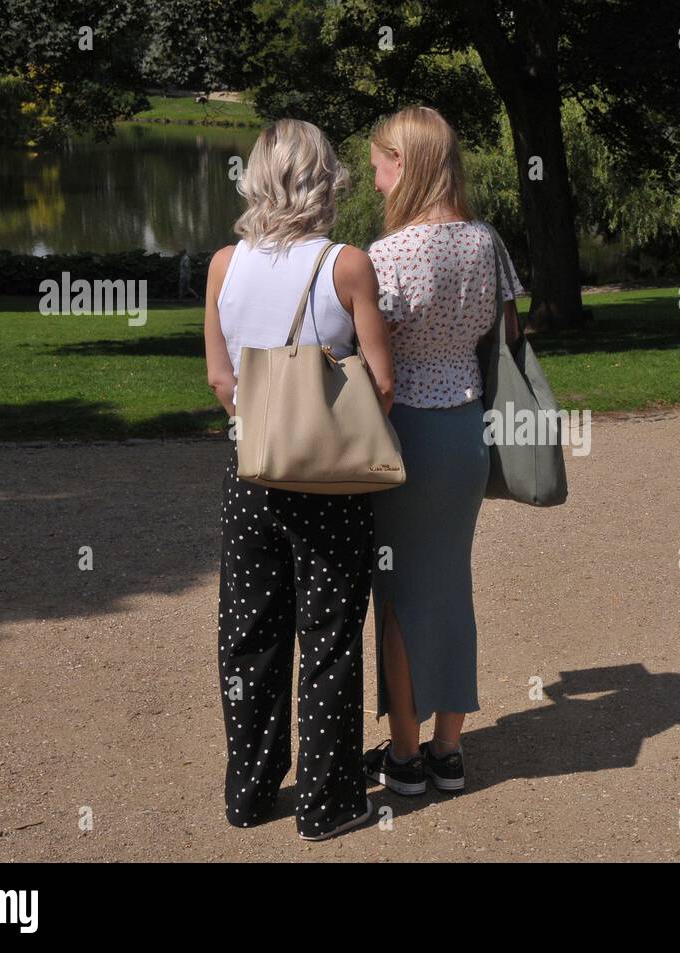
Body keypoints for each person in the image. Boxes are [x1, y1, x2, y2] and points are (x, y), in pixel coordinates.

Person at [203, 118, 395, 840]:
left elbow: (221, 377)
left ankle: (248, 794)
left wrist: (264, 424)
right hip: (330, 483)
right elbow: (382, 383)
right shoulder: (347, 264)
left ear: (257, 176)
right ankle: (326, 800)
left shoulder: (224, 264)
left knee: (248, 636)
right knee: (331, 632)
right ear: (325, 179)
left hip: (250, 472)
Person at [362, 106, 523, 796]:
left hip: (406, 433)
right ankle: (449, 750)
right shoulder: (486, 241)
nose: (373, 178)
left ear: (407, 163)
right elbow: (512, 328)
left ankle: (404, 753)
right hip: (466, 429)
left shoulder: (388, 254)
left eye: (379, 163)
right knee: (452, 584)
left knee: (398, 594)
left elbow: (367, 354)